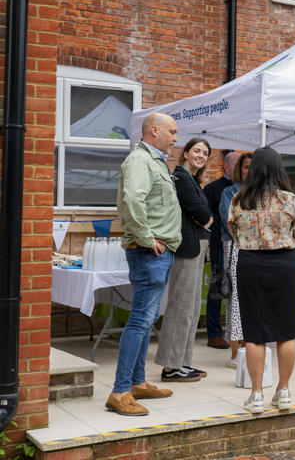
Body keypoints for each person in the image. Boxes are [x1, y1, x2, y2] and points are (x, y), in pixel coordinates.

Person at [107, 112, 181, 416]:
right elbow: (134, 201)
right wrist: (147, 239)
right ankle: (120, 391)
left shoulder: (155, 161)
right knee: (140, 320)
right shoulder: (140, 160)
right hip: (149, 252)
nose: (175, 138)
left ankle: (136, 383)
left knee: (146, 319)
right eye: (172, 132)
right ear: (154, 132)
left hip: (158, 251)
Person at [228, 146, 295, 413]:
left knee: (255, 334)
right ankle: (283, 391)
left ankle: (257, 394)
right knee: (287, 331)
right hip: (285, 264)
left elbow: (233, 232)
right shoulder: (290, 199)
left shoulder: (239, 199)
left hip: (251, 264)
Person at [155, 138, 214, 382]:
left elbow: (200, 211)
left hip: (197, 246)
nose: (201, 155)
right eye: (197, 151)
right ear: (186, 153)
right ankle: (171, 366)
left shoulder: (192, 179)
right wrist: (208, 219)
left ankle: (183, 362)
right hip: (188, 248)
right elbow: (200, 212)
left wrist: (205, 218)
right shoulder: (180, 177)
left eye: (205, 153)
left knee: (191, 307)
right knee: (181, 306)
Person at [203, 150, 239, 350]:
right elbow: (205, 218)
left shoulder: (246, 189)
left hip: (241, 247)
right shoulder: (213, 189)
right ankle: (214, 333)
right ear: (226, 166)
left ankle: (237, 332)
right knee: (218, 288)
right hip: (219, 246)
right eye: (236, 165)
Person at [219, 152, 252, 368]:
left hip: (257, 252)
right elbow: (228, 221)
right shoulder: (229, 192)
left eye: (253, 167)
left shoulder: (263, 192)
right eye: (246, 166)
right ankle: (235, 353)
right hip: (235, 248)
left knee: (253, 301)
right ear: (239, 169)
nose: (250, 171)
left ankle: (252, 349)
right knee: (236, 302)